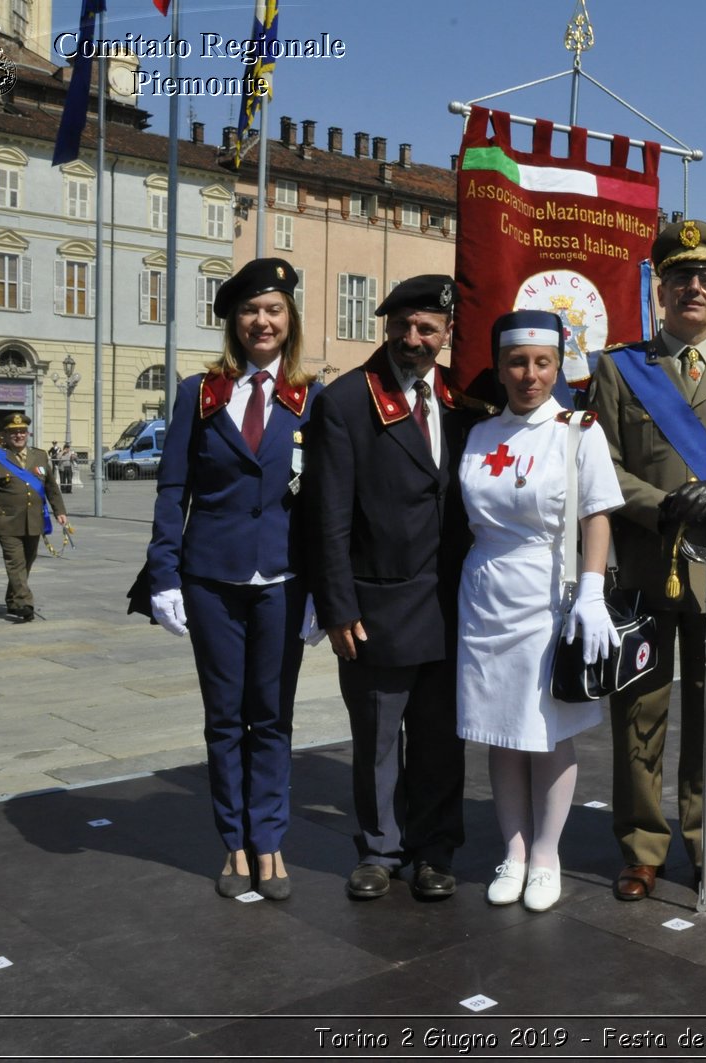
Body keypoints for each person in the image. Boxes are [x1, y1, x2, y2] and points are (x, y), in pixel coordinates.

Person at [587, 218, 706, 909]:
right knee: (639, 714)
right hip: (644, 565)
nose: (693, 288)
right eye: (680, 278)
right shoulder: (620, 367)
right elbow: (600, 465)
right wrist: (662, 503)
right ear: (659, 290)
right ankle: (641, 847)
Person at [143, 257, 318, 900]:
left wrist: (323, 592)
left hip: (283, 579)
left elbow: (323, 504)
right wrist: (165, 574)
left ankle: (270, 840)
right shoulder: (202, 392)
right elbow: (172, 489)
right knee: (224, 718)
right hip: (211, 579)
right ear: (233, 322)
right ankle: (234, 843)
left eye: (273, 309)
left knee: (271, 717)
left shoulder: (311, 399)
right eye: (250, 310)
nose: (262, 321)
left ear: (289, 318)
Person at [306, 275, 475, 902]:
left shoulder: (463, 398)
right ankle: (380, 850)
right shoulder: (347, 400)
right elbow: (327, 515)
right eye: (402, 326)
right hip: (376, 605)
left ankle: (435, 851)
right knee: (377, 740)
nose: (413, 338)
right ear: (387, 326)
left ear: (446, 333)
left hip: (452, 604)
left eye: (427, 328)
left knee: (440, 741)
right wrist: (337, 606)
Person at [457, 310, 624, 912]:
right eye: (518, 362)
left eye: (542, 362)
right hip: (484, 591)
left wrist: (592, 591)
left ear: (560, 365)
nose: (530, 374)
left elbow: (597, 515)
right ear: (500, 367)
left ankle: (548, 853)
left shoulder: (578, 431)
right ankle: (516, 849)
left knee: (548, 734)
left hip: (548, 595)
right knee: (500, 733)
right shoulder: (479, 435)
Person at [0, 413, 67, 622]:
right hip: (5, 521)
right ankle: (25, 603)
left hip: (34, 520)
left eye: (22, 431)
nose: (19, 435)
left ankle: (13, 599)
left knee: (26, 562)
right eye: (14, 432)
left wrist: (60, 511)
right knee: (15, 562)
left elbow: (51, 487)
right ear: (5, 435)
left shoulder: (40, 456)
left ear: (28, 433)